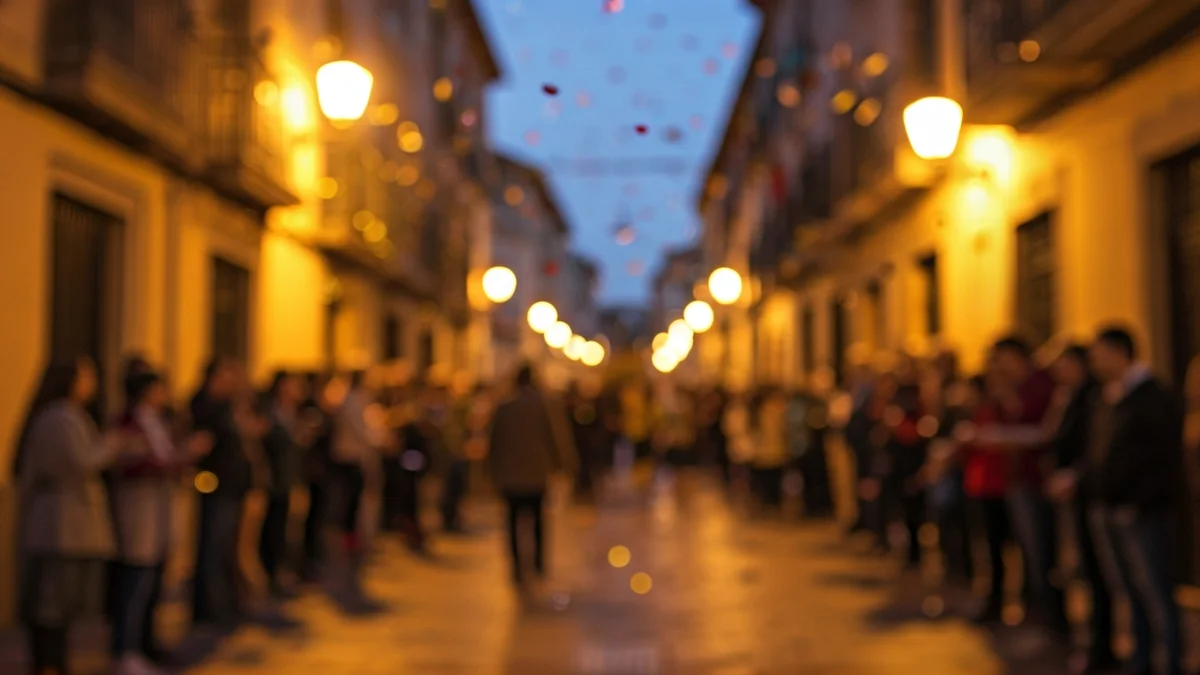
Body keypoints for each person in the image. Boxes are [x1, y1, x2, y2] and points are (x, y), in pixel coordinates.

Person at [14, 358, 141, 675]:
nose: (92, 382)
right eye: (86, 376)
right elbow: (78, 462)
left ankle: (54, 662)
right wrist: (111, 444)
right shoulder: (60, 417)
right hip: (59, 525)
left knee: (61, 604)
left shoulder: (68, 416)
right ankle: (49, 664)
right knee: (52, 603)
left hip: (66, 523)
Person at [1074, 327, 1184, 675]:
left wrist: (1136, 501)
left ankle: (1170, 662)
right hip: (1110, 508)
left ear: (1119, 352)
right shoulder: (1107, 396)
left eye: (1100, 352)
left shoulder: (1151, 396)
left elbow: (1161, 459)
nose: (1094, 360)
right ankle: (1141, 660)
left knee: (1154, 591)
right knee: (1129, 593)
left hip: (1140, 512)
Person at [109, 370, 212, 674]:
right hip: (139, 510)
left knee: (153, 578)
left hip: (159, 509)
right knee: (135, 579)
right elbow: (133, 462)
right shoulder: (129, 423)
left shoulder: (161, 421)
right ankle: (125, 649)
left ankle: (146, 643)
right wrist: (184, 455)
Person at [985, 336, 1068, 633]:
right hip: (1018, 478)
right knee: (1030, 554)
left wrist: (1001, 437)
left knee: (1044, 554)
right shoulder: (1014, 386)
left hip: (1038, 481)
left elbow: (1041, 431)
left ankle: (1053, 621)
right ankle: (1040, 615)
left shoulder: (1040, 385)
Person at [1044, 344, 1116, 674]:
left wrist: (1075, 476)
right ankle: (1093, 641)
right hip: (1078, 494)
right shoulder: (1072, 395)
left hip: (1090, 493)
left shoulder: (1092, 397)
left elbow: (1093, 444)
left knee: (1098, 574)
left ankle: (1102, 645)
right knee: (1085, 571)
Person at [487, 364, 577, 591]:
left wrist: (491, 472)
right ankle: (537, 563)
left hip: (510, 475)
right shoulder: (544, 406)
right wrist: (565, 465)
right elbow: (556, 436)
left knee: (512, 521)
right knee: (537, 519)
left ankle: (517, 566)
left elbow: (494, 441)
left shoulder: (504, 407)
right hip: (537, 474)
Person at [190, 358, 254, 629]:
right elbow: (201, 447)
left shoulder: (227, 406)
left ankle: (225, 603)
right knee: (213, 548)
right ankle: (209, 608)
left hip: (233, 486)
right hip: (217, 486)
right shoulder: (204, 407)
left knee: (226, 547)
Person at [257, 370, 308, 598]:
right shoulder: (270, 412)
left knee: (286, 528)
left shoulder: (293, 412)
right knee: (272, 530)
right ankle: (269, 575)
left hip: (288, 479)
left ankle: (281, 572)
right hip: (273, 481)